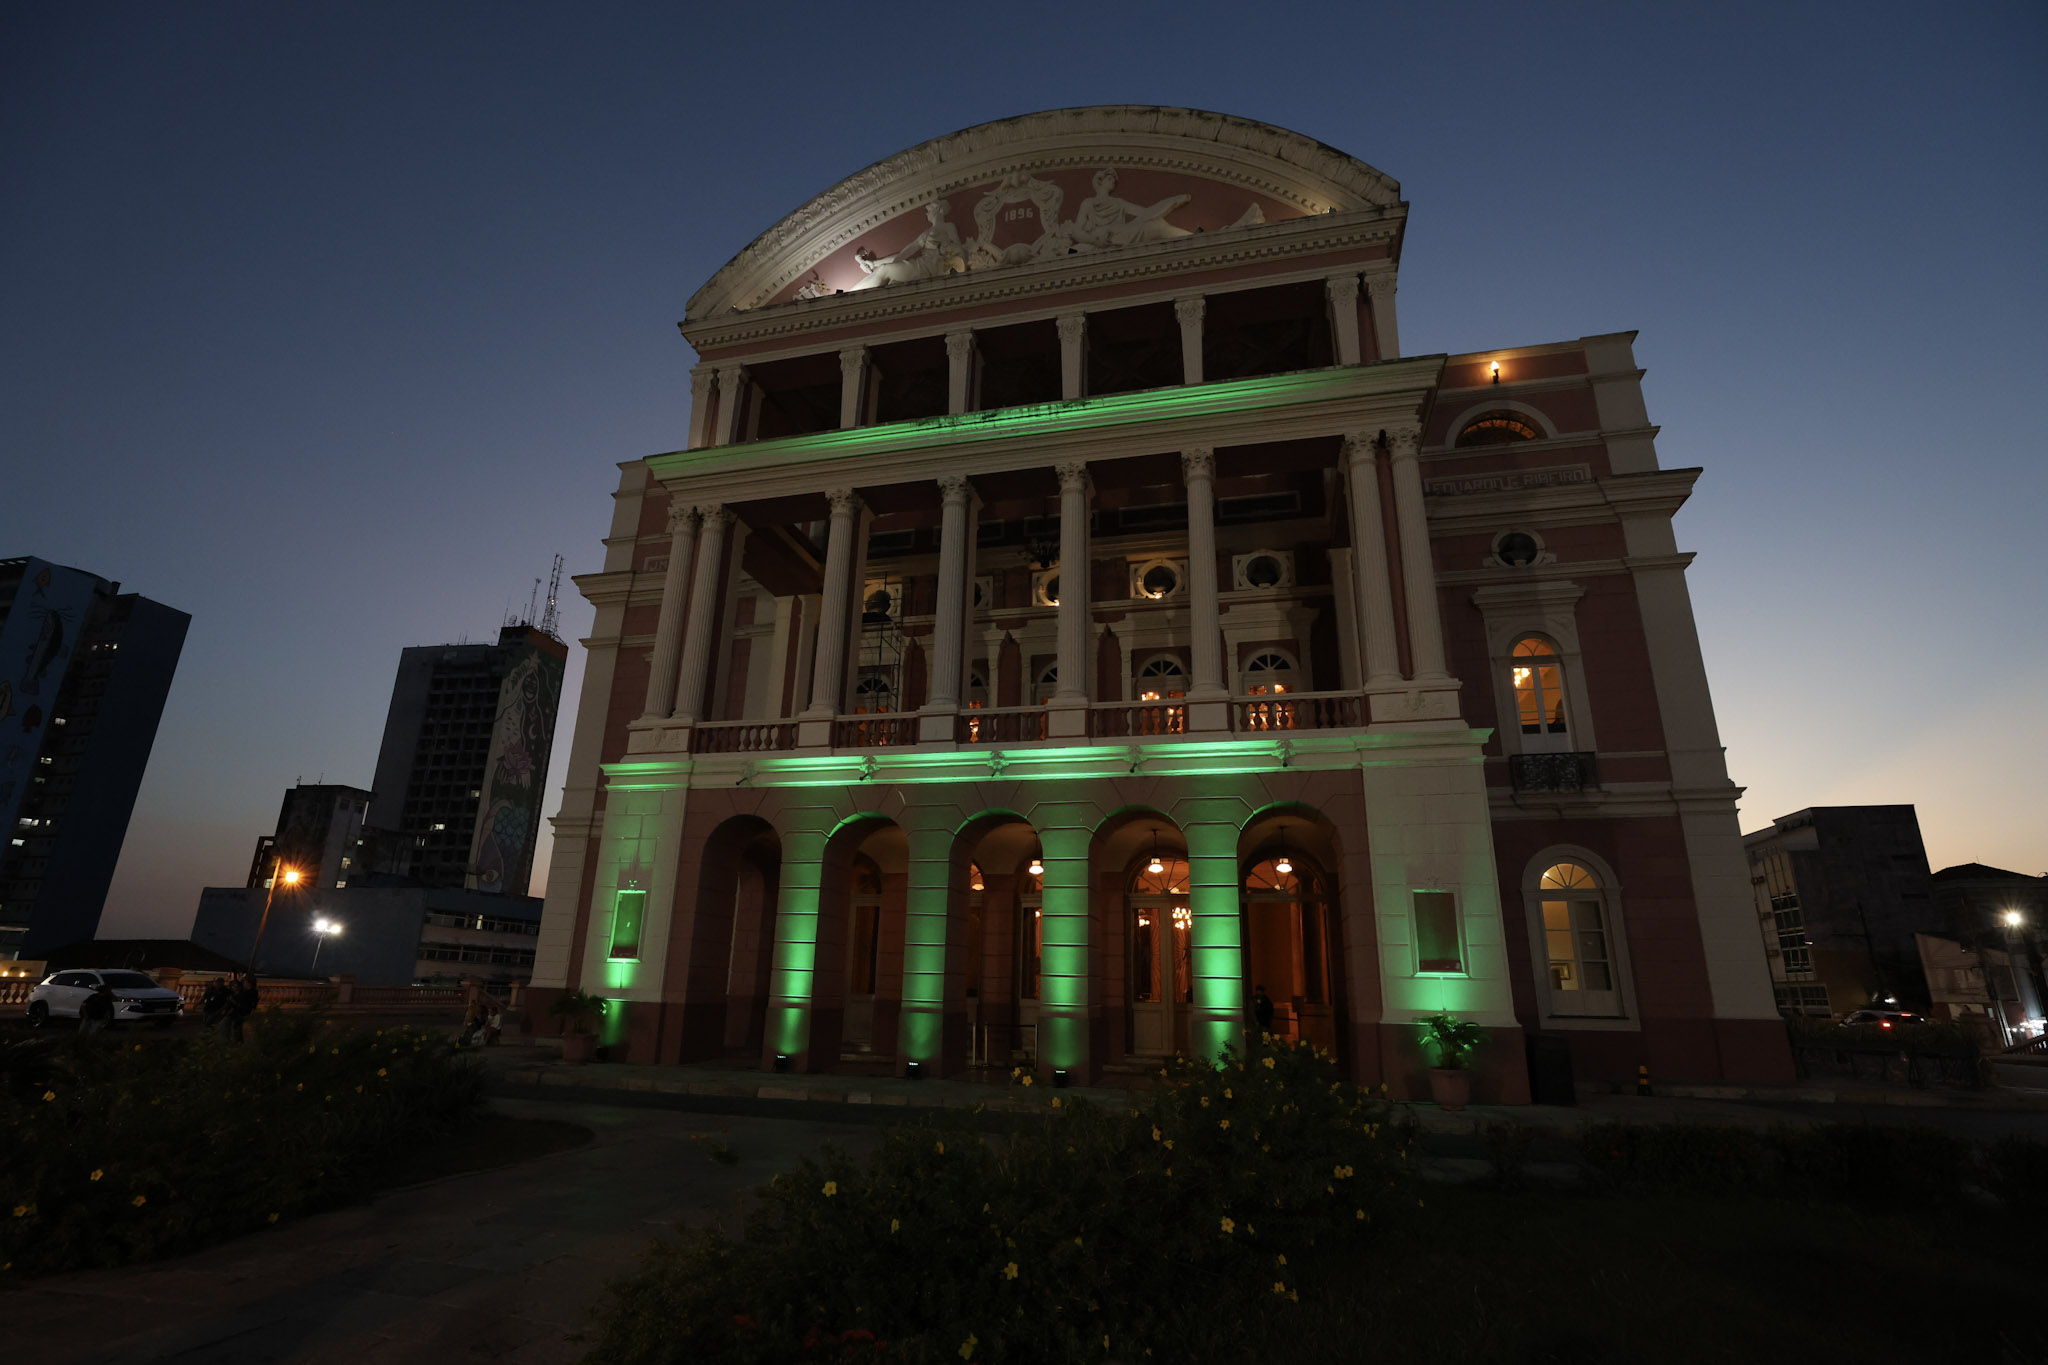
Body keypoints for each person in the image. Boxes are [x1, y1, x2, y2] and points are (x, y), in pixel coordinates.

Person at [224, 972, 258, 1044]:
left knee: (238, 1028)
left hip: (243, 1012)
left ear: (248, 983)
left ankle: (238, 1041)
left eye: (244, 982)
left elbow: (245, 1003)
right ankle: (238, 1041)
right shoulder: (246, 991)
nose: (243, 983)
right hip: (240, 1012)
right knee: (236, 1027)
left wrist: (233, 1001)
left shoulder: (250, 992)